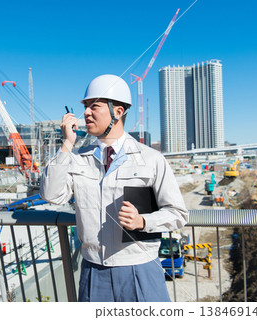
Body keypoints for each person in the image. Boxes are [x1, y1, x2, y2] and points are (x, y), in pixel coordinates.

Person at [40, 74, 188, 302]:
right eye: (85, 106)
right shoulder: (78, 158)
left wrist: (143, 221)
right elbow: (51, 195)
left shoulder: (151, 159)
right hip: (92, 271)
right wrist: (67, 143)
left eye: (94, 106)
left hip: (139, 269)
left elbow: (178, 214)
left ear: (118, 112)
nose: (86, 112)